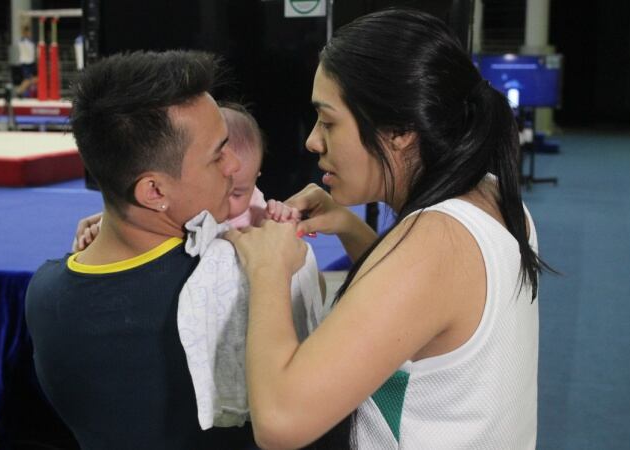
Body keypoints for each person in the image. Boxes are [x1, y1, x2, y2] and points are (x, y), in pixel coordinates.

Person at [225, 8, 549, 449]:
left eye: (329, 122)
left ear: (399, 130)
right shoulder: (489, 192)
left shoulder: (436, 243)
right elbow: (423, 305)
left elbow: (280, 420)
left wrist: (267, 270)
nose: (312, 141)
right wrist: (348, 227)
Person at [25, 50, 257, 449]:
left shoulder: (44, 293)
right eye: (218, 153)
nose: (234, 165)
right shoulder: (237, 282)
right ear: (154, 191)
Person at [72, 102, 300, 252]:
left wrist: (279, 217)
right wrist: (111, 225)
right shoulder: (182, 209)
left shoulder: (256, 211)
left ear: (256, 179)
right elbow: (143, 221)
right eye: (216, 159)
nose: (229, 200)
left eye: (239, 193)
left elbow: (280, 239)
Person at [16, 25, 37, 97]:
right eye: (27, 32)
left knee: (36, 78)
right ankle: (19, 91)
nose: (29, 33)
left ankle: (22, 91)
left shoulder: (31, 41)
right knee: (27, 79)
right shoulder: (22, 41)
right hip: (25, 63)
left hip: (32, 62)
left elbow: (33, 52)